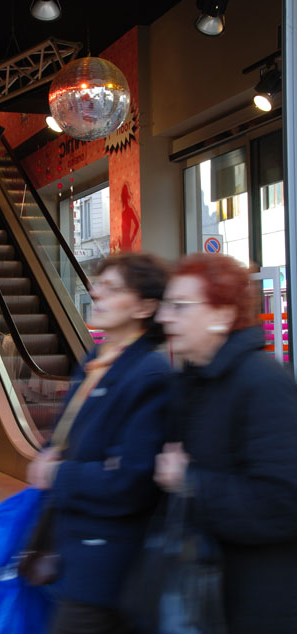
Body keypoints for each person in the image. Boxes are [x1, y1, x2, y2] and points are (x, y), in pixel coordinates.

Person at [27, 253, 172, 634]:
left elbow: (129, 481)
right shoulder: (97, 359)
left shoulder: (150, 374)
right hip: (74, 548)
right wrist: (52, 452)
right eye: (98, 285)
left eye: (113, 288)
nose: (96, 293)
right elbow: (74, 436)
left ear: (144, 307)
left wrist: (57, 473)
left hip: (109, 563)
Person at [154, 252, 297, 634]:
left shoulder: (263, 383)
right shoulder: (191, 381)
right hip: (204, 595)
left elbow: (282, 502)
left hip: (255, 605)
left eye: (180, 306)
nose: (165, 317)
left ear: (222, 314)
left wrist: (189, 481)